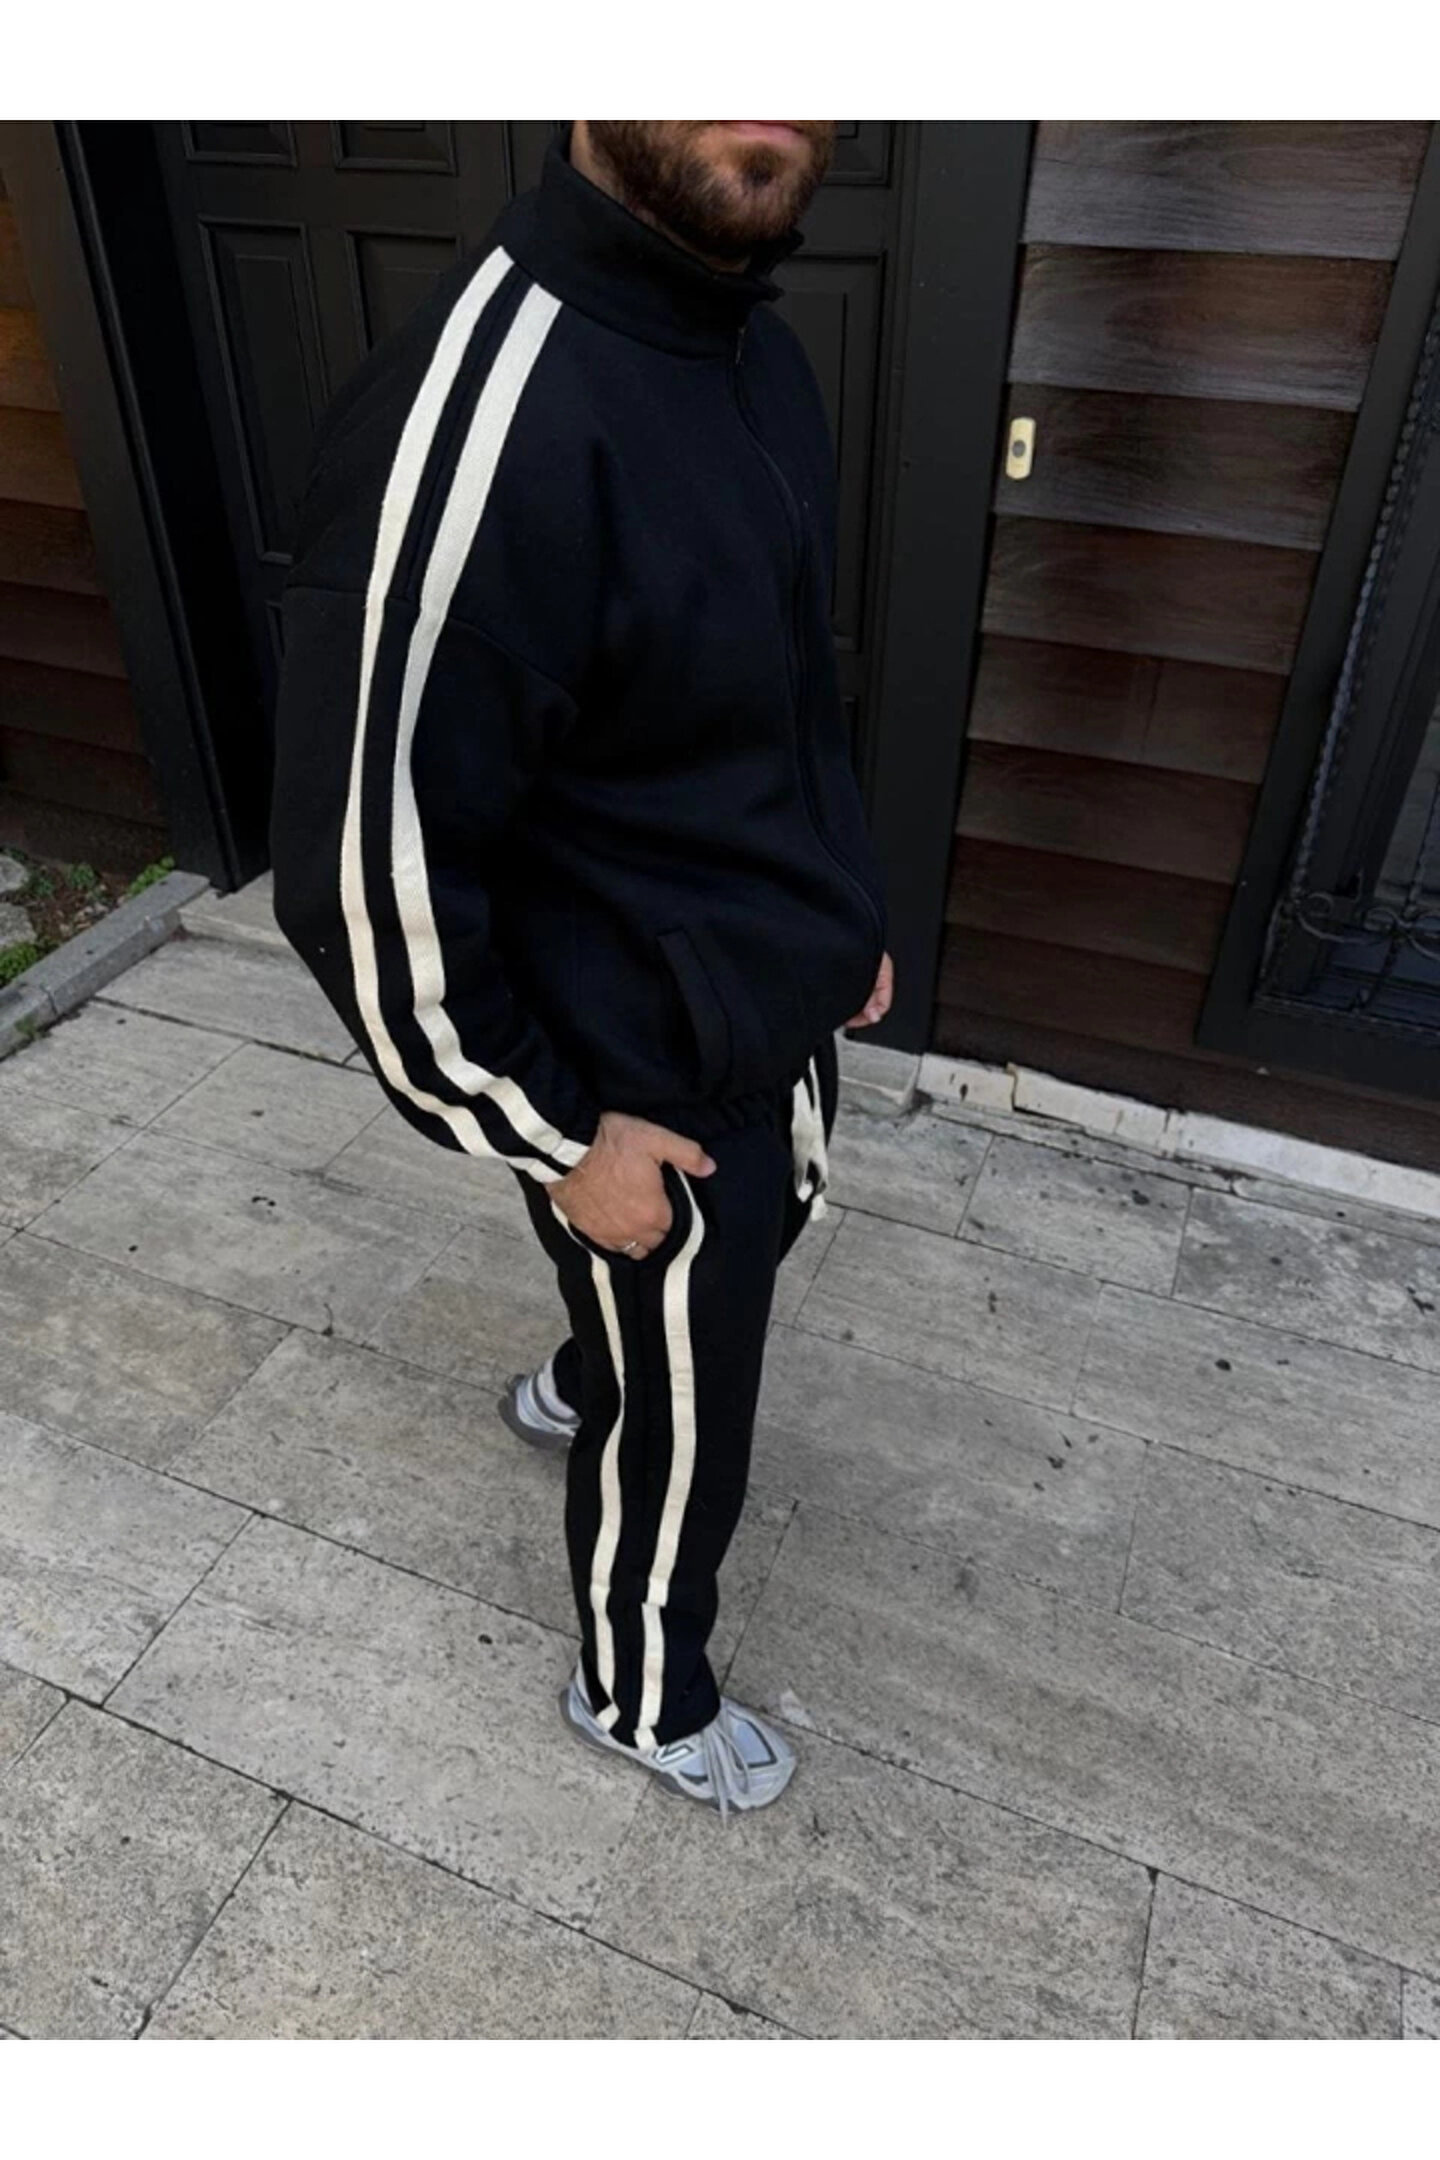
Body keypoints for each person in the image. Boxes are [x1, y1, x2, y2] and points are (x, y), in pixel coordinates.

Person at [269, 120, 893, 1818]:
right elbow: (363, 878)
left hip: (759, 991)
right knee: (690, 1427)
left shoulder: (750, 347)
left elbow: (784, 681)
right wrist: (556, 1139)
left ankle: (588, 1365)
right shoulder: (478, 417)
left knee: (714, 1292)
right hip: (638, 1080)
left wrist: (844, 909)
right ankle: (641, 1687)